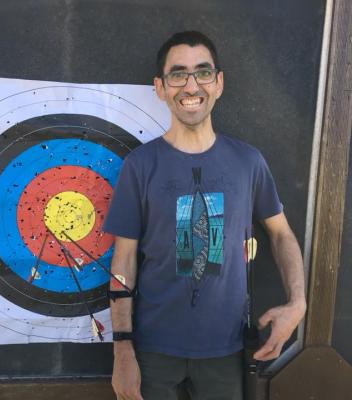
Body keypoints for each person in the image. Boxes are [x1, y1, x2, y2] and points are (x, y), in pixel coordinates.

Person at [103, 31, 307, 400]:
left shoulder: (248, 162)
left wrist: (297, 303)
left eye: (203, 72)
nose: (191, 85)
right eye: (178, 74)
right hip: (153, 351)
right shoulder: (140, 166)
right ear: (160, 87)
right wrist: (122, 349)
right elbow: (124, 259)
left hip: (227, 351)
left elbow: (281, 234)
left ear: (219, 82)